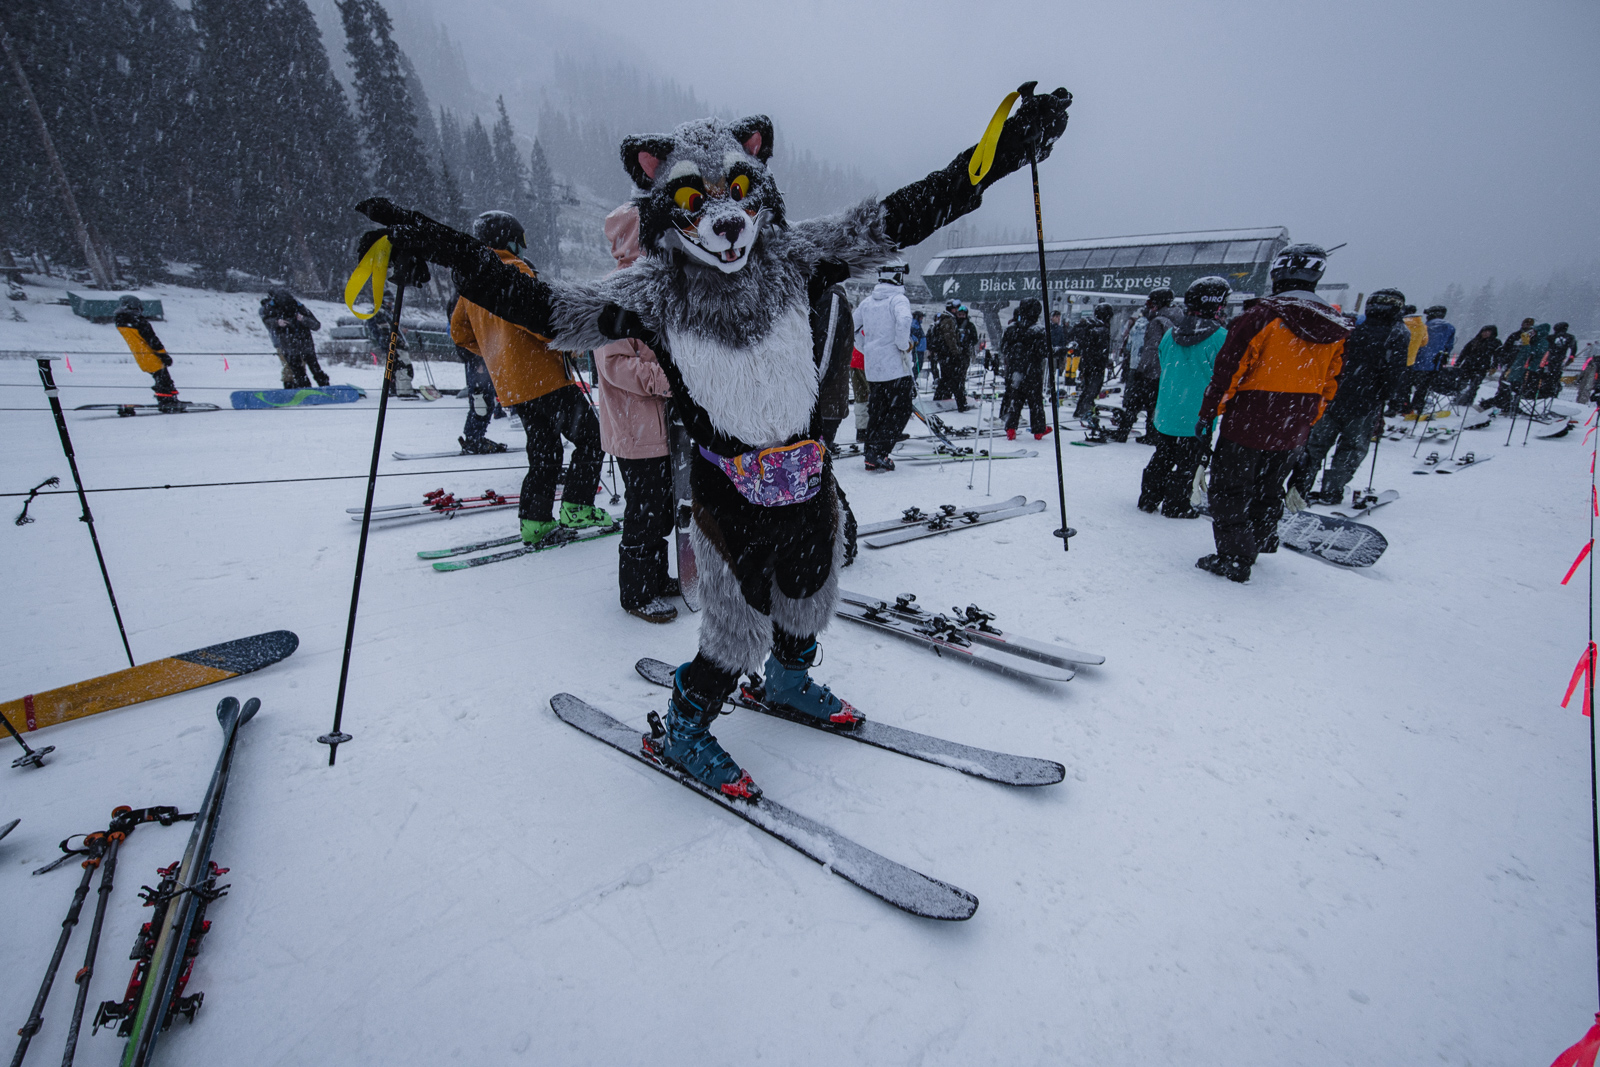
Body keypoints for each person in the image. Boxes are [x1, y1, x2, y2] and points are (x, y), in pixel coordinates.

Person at [361, 87, 1074, 798]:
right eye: (693, 202)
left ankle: (790, 679)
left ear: (759, 180)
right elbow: (544, 308)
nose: (724, 218)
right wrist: (443, 244)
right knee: (734, 631)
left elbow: (904, 214)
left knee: (807, 593)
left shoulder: (796, 256)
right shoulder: (654, 288)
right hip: (728, 487)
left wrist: (1003, 153)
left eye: (737, 191)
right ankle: (682, 724)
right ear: (661, 202)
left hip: (805, 475)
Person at [450, 209, 612, 545]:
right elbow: (537, 319)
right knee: (593, 438)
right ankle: (578, 506)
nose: (523, 247)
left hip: (514, 387)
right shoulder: (515, 270)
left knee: (544, 452)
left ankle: (535, 522)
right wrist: (567, 343)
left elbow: (460, 334)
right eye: (520, 240)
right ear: (509, 239)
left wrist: (500, 357)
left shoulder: (472, 282)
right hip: (546, 379)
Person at [1194, 243, 1348, 582]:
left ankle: (1235, 556)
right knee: (1268, 484)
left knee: (1230, 488)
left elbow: (1228, 373)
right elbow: (1330, 382)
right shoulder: (1335, 327)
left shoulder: (1260, 317)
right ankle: (1261, 536)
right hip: (1294, 421)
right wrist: (1307, 419)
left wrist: (1208, 415)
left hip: (1250, 417)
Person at [592, 205, 679, 624]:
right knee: (643, 511)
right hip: (634, 427)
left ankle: (657, 578)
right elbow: (616, 365)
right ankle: (637, 593)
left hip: (662, 429)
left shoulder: (653, 284)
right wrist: (670, 377)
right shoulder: (615, 292)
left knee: (661, 510)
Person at [1287, 288, 1406, 506]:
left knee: (1314, 445)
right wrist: (1387, 395)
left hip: (1333, 396)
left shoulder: (1350, 327)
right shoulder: (1396, 334)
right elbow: (1394, 371)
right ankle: (1331, 490)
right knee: (1351, 447)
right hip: (1364, 401)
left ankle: (1299, 488)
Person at [1138, 277, 1229, 517]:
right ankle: (1177, 504)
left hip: (1168, 408)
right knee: (1189, 462)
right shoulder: (1221, 338)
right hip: (1199, 413)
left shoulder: (1170, 334)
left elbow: (1162, 359)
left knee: (1163, 455)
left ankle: (1149, 497)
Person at [857, 262, 916, 471]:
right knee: (900, 409)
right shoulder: (898, 299)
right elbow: (905, 319)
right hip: (896, 368)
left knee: (878, 410)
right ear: (897, 277)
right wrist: (903, 344)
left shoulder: (867, 303)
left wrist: (866, 349)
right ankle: (879, 452)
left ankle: (870, 452)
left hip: (874, 368)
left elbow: (851, 327)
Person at [1116, 288, 1179, 442]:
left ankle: (1123, 431)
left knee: (1133, 402)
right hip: (1165, 370)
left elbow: (1151, 348)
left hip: (1150, 371)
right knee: (1154, 405)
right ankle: (1152, 433)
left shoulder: (1157, 322)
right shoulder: (1176, 320)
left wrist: (1141, 369)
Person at [113, 295, 182, 411]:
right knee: (164, 379)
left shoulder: (121, 322)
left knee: (161, 378)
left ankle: (167, 400)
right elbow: (152, 340)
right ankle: (167, 402)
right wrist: (163, 355)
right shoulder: (139, 322)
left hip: (140, 357)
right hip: (151, 355)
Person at [999, 298, 1052, 440]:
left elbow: (1003, 348)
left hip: (1014, 370)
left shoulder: (1011, 329)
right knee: (1035, 401)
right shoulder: (1038, 330)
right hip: (1033, 371)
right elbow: (1043, 351)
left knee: (1015, 400)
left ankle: (1010, 428)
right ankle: (1038, 430)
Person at [259, 288, 331, 389]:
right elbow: (267, 320)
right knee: (297, 371)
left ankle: (323, 386)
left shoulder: (299, 308)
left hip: (303, 344)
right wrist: (277, 322)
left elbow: (316, 325)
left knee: (313, 368)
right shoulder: (270, 309)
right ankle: (304, 388)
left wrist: (303, 319)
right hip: (288, 346)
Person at [814, 280, 854, 452]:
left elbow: (827, 350)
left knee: (817, 450)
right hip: (827, 394)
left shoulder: (830, 298)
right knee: (817, 452)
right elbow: (827, 352)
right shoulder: (830, 297)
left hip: (826, 393)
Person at [1404, 305, 1455, 415]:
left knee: (1407, 385)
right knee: (1422, 388)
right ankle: (1417, 406)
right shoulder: (1450, 328)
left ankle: (1404, 406)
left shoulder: (1423, 326)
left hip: (1415, 361)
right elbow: (1448, 346)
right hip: (1433, 363)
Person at [930, 303, 978, 410]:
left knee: (953, 378)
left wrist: (965, 344)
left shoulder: (967, 325)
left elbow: (974, 339)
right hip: (952, 356)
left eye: (962, 314)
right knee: (955, 379)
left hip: (957, 355)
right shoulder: (950, 322)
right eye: (958, 313)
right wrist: (956, 352)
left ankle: (947, 398)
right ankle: (957, 402)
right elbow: (950, 340)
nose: (959, 315)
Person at [1070, 303, 1114, 421]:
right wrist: (1104, 360)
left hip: (1087, 361)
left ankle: (1084, 408)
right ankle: (1084, 410)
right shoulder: (1102, 330)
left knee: (1088, 387)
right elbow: (1101, 349)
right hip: (1097, 363)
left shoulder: (1090, 327)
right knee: (1093, 388)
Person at [1453, 325, 1500, 406]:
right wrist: (1458, 362)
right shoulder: (1475, 341)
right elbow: (1464, 352)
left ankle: (1467, 401)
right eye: (1484, 331)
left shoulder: (1495, 343)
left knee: (1474, 386)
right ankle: (1457, 399)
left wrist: (1493, 366)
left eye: (1488, 332)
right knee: (1461, 383)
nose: (1485, 333)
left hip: (1481, 367)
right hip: (1468, 365)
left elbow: (1497, 356)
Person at [909, 309, 927, 384]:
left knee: (918, 366)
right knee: (917, 366)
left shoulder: (917, 324)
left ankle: (912, 380)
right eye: (920, 317)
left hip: (920, 349)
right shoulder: (914, 324)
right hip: (917, 349)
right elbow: (911, 334)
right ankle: (911, 381)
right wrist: (915, 340)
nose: (922, 319)